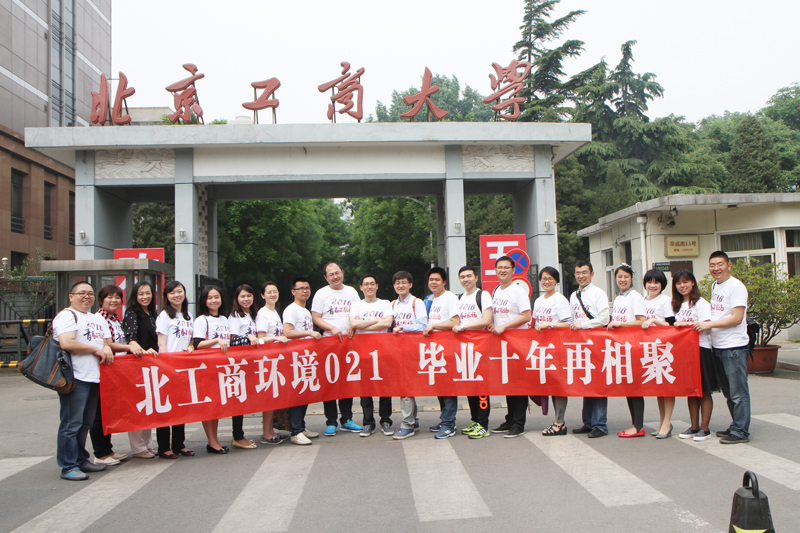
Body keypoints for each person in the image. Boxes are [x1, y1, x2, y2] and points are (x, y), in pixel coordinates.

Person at [53, 281, 114, 481]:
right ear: (71, 297)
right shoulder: (67, 316)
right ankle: (68, 466)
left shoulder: (96, 318)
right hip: (75, 378)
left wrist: (105, 347)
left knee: (85, 423)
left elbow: (106, 342)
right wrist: (95, 349)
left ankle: (81, 460)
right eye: (82, 293)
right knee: (71, 424)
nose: (87, 296)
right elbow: (67, 342)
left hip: (94, 377)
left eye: (90, 293)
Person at [694, 251, 751, 444]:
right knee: (728, 392)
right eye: (712, 265)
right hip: (718, 345)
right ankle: (736, 425)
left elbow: (736, 318)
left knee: (738, 392)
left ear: (729, 265)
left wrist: (708, 325)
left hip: (734, 347)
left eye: (720, 264)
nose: (716, 268)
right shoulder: (715, 285)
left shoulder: (736, 287)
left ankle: (741, 431)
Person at [311, 262, 363, 436]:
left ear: (342, 272)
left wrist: (353, 326)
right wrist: (331, 328)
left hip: (349, 344)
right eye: (331, 274)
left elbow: (357, 314)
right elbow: (316, 317)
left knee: (347, 382)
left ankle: (347, 420)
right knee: (330, 383)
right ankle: (331, 421)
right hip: (328, 344)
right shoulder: (321, 293)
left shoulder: (352, 292)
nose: (335, 276)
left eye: (337, 273)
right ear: (326, 277)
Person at [90, 285, 135, 466]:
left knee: (108, 412)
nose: (114, 300)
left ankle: (108, 449)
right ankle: (100, 453)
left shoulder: (114, 319)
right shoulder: (98, 318)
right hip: (103, 370)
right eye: (109, 297)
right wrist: (130, 347)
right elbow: (108, 344)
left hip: (114, 371)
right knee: (99, 414)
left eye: (117, 297)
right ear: (101, 299)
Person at [671, 270, 717, 441]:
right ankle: (694, 426)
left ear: (693, 283)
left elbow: (706, 325)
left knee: (704, 390)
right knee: (691, 390)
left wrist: (685, 325)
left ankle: (705, 428)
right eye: (678, 283)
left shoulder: (701, 303)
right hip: (684, 352)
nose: (682, 286)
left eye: (685, 282)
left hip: (701, 350)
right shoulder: (676, 304)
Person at [490, 256, 532, 438]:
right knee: (508, 383)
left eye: (506, 267)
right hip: (502, 345)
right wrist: (493, 324)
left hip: (518, 343)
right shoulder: (496, 290)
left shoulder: (518, 291)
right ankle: (510, 419)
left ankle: (518, 423)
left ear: (513, 270)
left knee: (519, 385)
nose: (503, 270)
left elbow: (526, 316)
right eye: (499, 267)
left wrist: (504, 327)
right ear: (495, 270)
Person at [192, 285, 237, 454]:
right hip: (207, 367)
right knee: (208, 405)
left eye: (216, 297)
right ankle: (211, 441)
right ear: (204, 301)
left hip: (222, 368)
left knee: (216, 406)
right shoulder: (201, 320)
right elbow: (197, 344)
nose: (213, 300)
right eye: (209, 298)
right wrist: (216, 340)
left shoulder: (225, 319)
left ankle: (214, 439)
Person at [349, 274, 394, 437]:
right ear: (361, 287)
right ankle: (368, 423)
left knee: (385, 388)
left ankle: (385, 420)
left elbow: (387, 323)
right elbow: (354, 323)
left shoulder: (385, 303)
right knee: (365, 389)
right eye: (366, 284)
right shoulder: (356, 305)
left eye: (372, 284)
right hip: (363, 352)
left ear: (377, 286)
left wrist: (363, 324)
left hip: (382, 350)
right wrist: (377, 321)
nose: (369, 287)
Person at [569, 260, 610, 439]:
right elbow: (573, 320)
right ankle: (588, 422)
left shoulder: (598, 293)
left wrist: (584, 325)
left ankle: (600, 424)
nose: (581, 276)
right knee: (586, 382)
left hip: (597, 343)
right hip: (581, 345)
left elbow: (604, 318)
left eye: (584, 272)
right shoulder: (574, 295)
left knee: (599, 384)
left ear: (592, 274)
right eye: (578, 273)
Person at [452, 265, 493, 439]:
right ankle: (475, 420)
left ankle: (483, 425)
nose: (466, 279)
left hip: (481, 347)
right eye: (462, 277)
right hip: (465, 348)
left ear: (476, 278)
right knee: (470, 384)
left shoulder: (483, 295)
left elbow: (486, 320)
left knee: (481, 386)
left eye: (469, 276)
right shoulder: (460, 298)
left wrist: (464, 327)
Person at [121, 281, 162, 457]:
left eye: (148, 293)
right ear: (135, 296)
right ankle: (138, 447)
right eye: (141, 294)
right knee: (139, 407)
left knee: (150, 406)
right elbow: (131, 339)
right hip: (137, 365)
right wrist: (144, 352)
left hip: (152, 366)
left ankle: (148, 444)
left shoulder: (153, 314)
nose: (145, 297)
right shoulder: (132, 313)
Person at [155, 280, 195, 458]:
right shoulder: (164, 316)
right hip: (168, 367)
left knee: (181, 407)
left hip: (184, 368)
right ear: (166, 296)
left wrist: (191, 348)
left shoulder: (188, 316)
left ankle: (179, 444)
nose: (176, 295)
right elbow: (161, 344)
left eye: (179, 291)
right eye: (172, 293)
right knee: (166, 408)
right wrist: (166, 366)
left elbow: (191, 341)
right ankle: (164, 447)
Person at [607, 264, 647, 438]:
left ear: (631, 279)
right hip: (621, 347)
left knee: (635, 387)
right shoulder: (618, 298)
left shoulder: (635, 297)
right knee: (628, 388)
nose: (622, 280)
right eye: (619, 276)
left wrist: (621, 324)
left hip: (633, 346)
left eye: (626, 277)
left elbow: (641, 321)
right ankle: (634, 424)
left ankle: (638, 426)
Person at [532, 267, 573, 436]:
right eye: (543, 278)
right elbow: (535, 324)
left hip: (558, 348)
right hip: (543, 349)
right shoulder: (538, 301)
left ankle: (559, 422)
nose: (546, 281)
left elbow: (568, 324)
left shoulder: (560, 300)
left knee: (559, 385)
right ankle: (557, 421)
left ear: (556, 281)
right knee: (550, 386)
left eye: (550, 278)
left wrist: (550, 325)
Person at [283, 277, 322, 446]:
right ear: (293, 291)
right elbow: (288, 332)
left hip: (306, 357)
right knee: (297, 394)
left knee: (305, 393)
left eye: (307, 288)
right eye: (301, 288)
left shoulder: (305, 311)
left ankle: (301, 426)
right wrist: (309, 333)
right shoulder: (291, 310)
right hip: (294, 357)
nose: (305, 291)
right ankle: (295, 431)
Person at [423, 266, 460, 439]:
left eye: (437, 279)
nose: (434, 282)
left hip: (448, 348)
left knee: (448, 387)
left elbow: (455, 322)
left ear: (444, 282)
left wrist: (434, 326)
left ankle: (449, 424)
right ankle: (445, 419)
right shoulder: (430, 299)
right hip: (434, 349)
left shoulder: (450, 297)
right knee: (440, 386)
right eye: (431, 280)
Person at [391, 270, 428, 440]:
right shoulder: (393, 304)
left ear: (410, 285)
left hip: (413, 350)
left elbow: (422, 325)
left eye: (404, 282)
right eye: (397, 283)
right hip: (398, 351)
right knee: (406, 386)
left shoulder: (416, 302)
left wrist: (403, 328)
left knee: (405, 387)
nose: (400, 285)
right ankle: (413, 420)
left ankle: (407, 425)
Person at [640, 269, 677, 438]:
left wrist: (654, 320)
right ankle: (662, 421)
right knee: (658, 386)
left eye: (656, 282)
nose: (652, 285)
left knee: (667, 385)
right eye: (649, 282)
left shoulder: (666, 301)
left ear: (662, 284)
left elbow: (671, 324)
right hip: (648, 348)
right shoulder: (642, 301)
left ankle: (667, 421)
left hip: (664, 348)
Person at [255, 281, 290, 445]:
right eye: (269, 292)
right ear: (263, 295)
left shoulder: (275, 312)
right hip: (267, 359)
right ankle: (266, 433)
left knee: (273, 397)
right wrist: (276, 338)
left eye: (275, 291)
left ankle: (271, 430)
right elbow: (261, 338)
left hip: (276, 359)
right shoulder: (263, 313)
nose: (272, 294)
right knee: (268, 397)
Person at [226, 284, 260, 450]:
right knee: (238, 400)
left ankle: (239, 434)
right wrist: (248, 337)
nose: (246, 299)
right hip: (238, 364)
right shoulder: (235, 316)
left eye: (249, 296)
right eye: (242, 296)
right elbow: (232, 340)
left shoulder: (251, 315)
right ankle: (238, 436)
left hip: (249, 362)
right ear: (237, 299)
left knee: (244, 399)